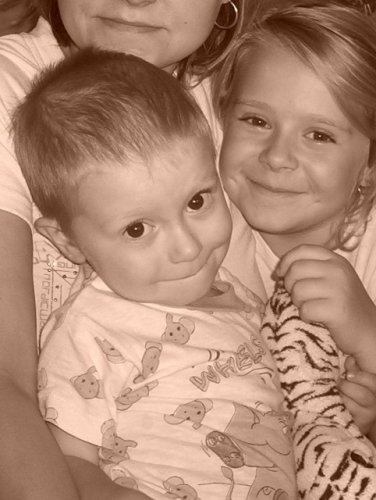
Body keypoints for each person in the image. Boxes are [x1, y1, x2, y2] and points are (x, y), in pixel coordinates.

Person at [0, 1, 271, 499]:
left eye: (198, 202)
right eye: (137, 228)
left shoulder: (247, 101)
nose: (186, 247)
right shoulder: (9, 87)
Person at [212, 1, 376, 494]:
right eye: (256, 121)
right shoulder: (209, 222)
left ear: (373, 161)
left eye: (319, 135)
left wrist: (364, 327)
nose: (277, 157)